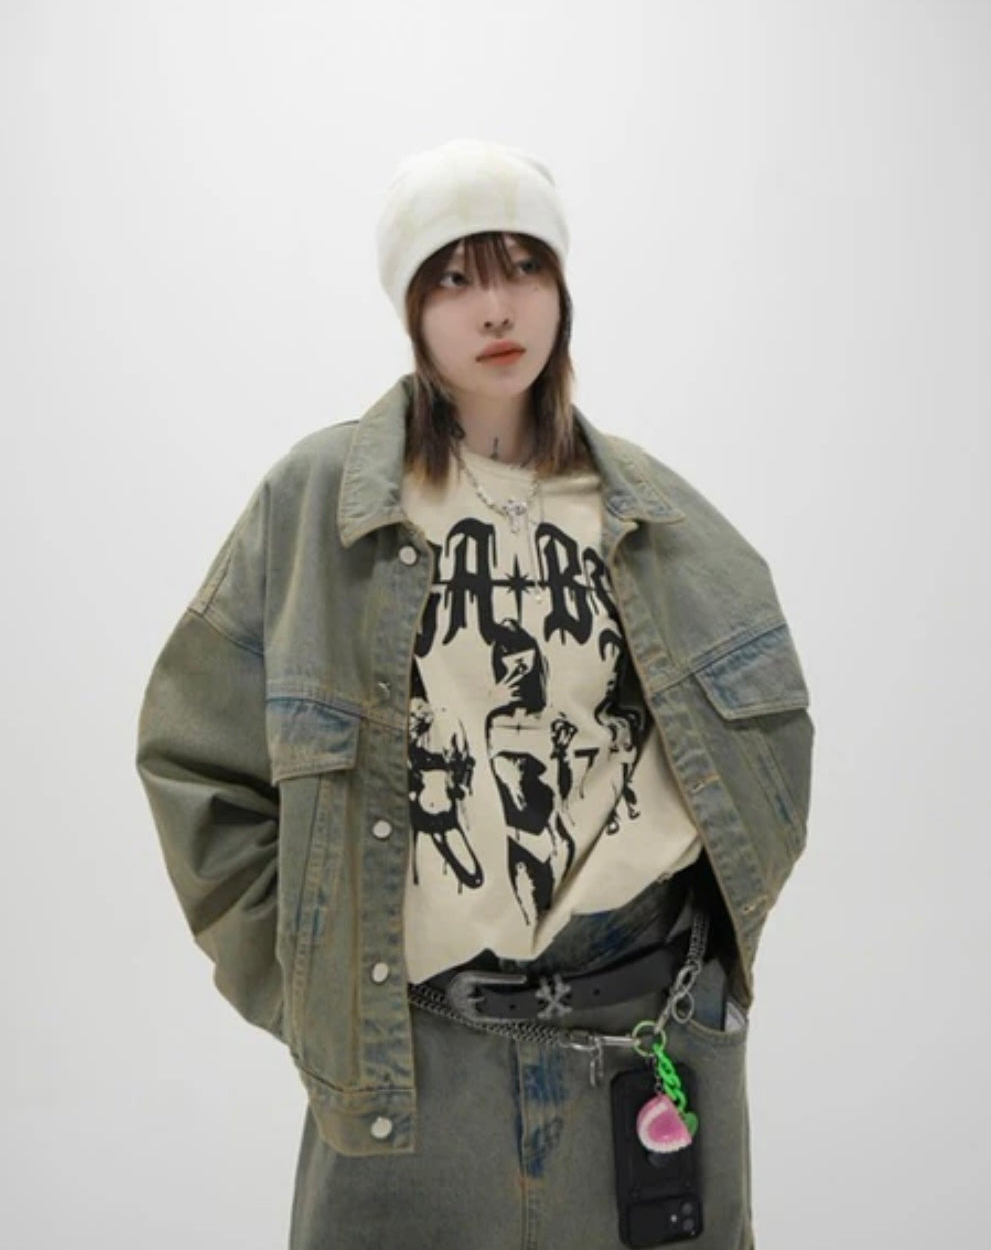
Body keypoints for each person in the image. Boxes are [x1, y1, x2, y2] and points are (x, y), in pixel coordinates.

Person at [135, 138, 814, 1250]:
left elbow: (770, 737)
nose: (496, 306)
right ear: (411, 307)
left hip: (643, 1039)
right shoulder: (319, 502)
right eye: (454, 276)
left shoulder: (657, 515)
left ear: (561, 289)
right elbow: (193, 758)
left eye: (523, 267)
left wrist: (708, 958)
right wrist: (312, 981)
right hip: (412, 1060)